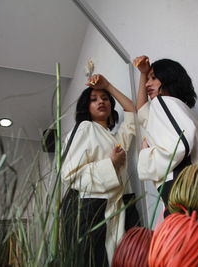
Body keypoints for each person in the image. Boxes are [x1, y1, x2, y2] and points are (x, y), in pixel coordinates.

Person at [134, 56, 198, 267]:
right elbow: (141, 111)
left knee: (189, 258)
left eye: (153, 78)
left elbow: (181, 145)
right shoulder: (175, 107)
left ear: (167, 79)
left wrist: (146, 154)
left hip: (184, 194)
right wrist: (143, 73)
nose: (147, 84)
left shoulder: (163, 103)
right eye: (147, 79)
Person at [61, 74, 138, 266]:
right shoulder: (84, 128)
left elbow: (132, 112)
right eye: (93, 100)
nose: (100, 102)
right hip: (95, 211)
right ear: (86, 107)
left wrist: (108, 86)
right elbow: (69, 173)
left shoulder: (114, 138)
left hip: (119, 209)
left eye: (104, 99)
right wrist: (110, 163)